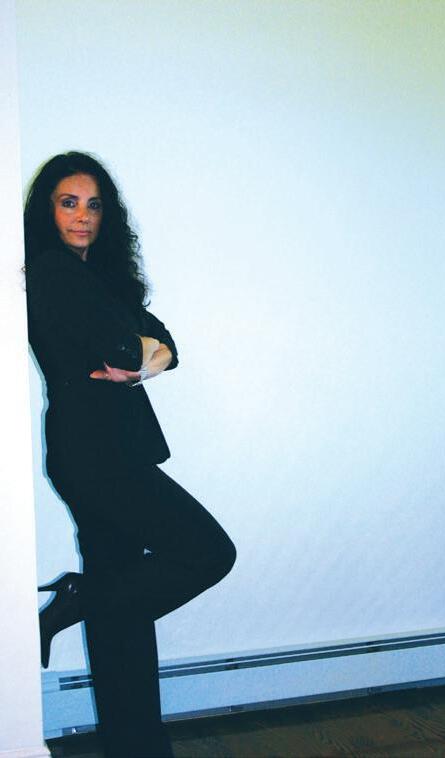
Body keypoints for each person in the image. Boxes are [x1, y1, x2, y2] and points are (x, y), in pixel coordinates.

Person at [24, 151, 236, 758]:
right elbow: (125, 348)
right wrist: (140, 355)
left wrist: (146, 358)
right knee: (207, 552)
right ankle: (79, 598)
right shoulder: (53, 272)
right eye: (68, 203)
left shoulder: (100, 279)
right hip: (98, 456)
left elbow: (165, 345)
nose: (82, 216)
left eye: (93, 205)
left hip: (103, 452)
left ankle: (136, 745)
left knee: (125, 608)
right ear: (47, 211)